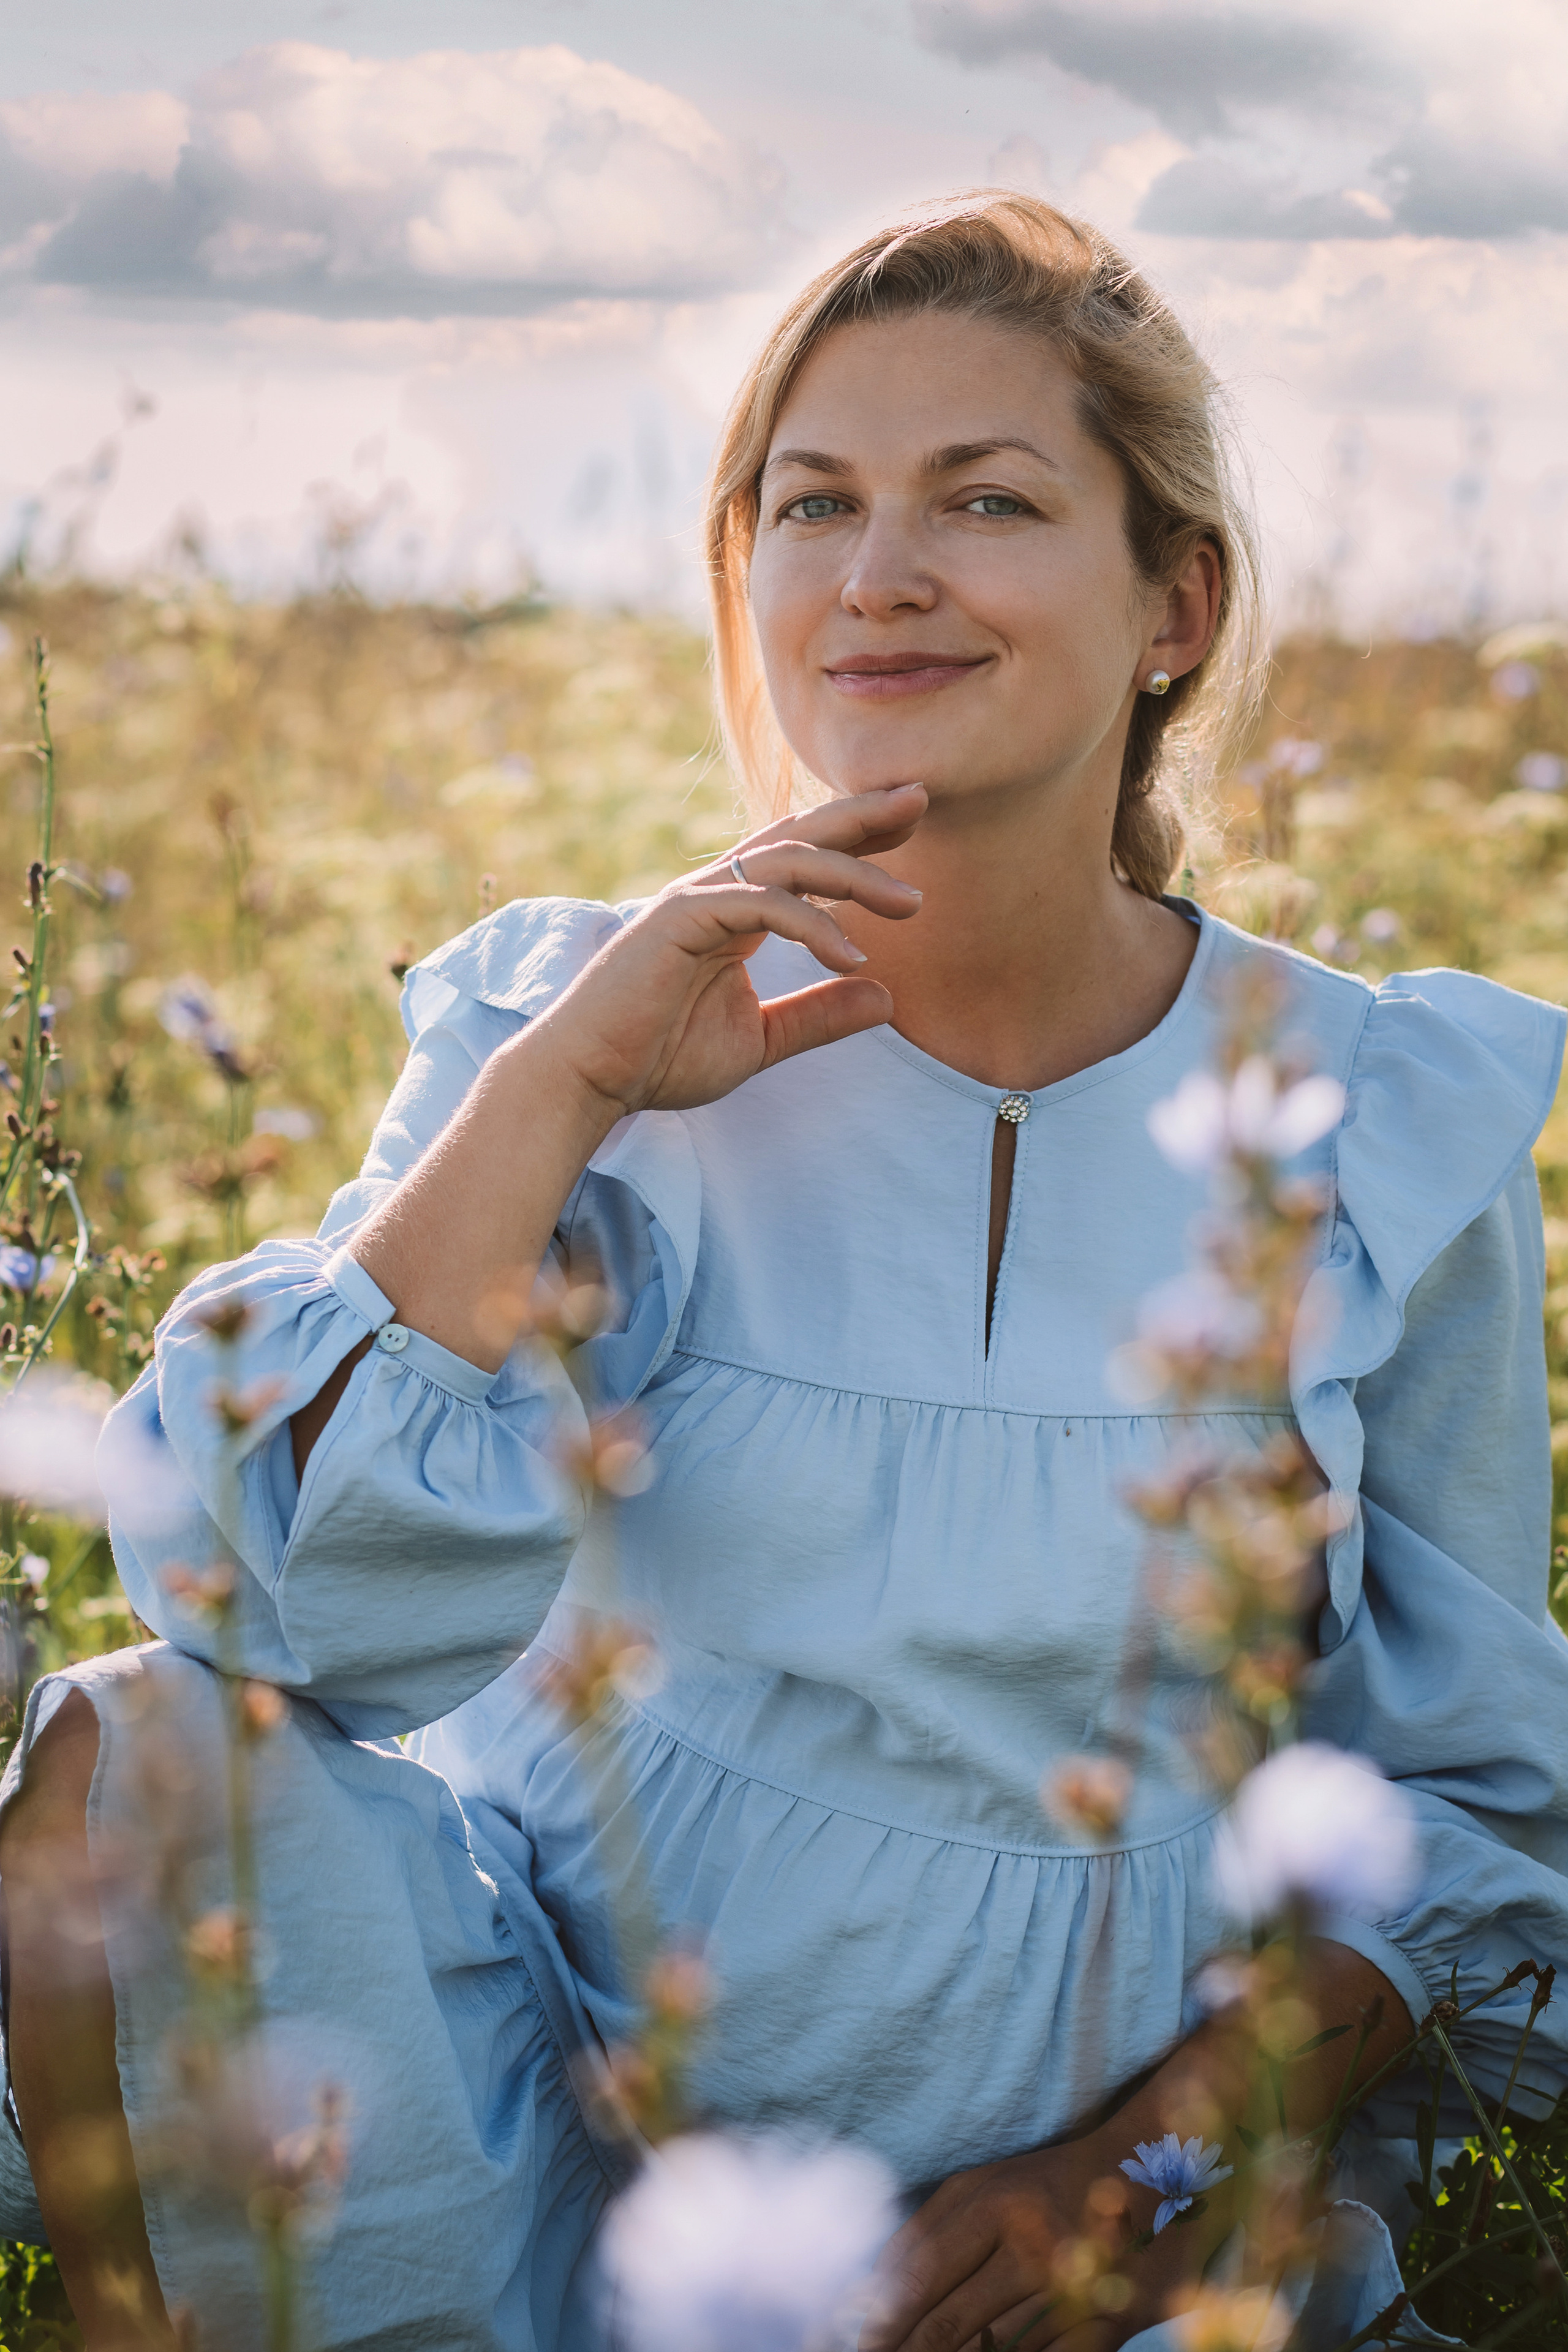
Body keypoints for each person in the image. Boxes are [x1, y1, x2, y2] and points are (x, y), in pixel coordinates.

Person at [4, 192, 1567, 2352]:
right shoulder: (582, 1029)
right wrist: (570, 1083)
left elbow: (1465, 1802)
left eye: (987, 501)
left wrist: (1121, 2185)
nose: (878, 571)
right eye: (812, 503)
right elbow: (259, 1606)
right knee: (139, 1758)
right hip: (562, 2160)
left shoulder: (1373, 1122)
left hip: (1112, 2233)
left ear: (1175, 606)